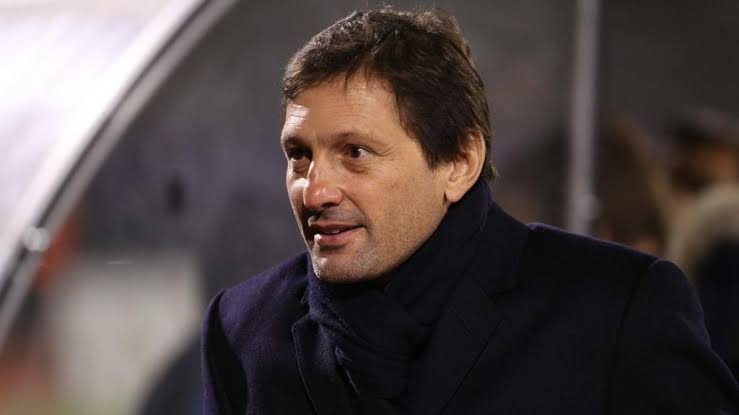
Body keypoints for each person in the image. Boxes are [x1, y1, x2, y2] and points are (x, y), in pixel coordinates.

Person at [201, 8, 738, 414]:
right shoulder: (244, 328)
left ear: (459, 162)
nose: (315, 191)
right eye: (299, 156)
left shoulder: (615, 309)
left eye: (355, 153)